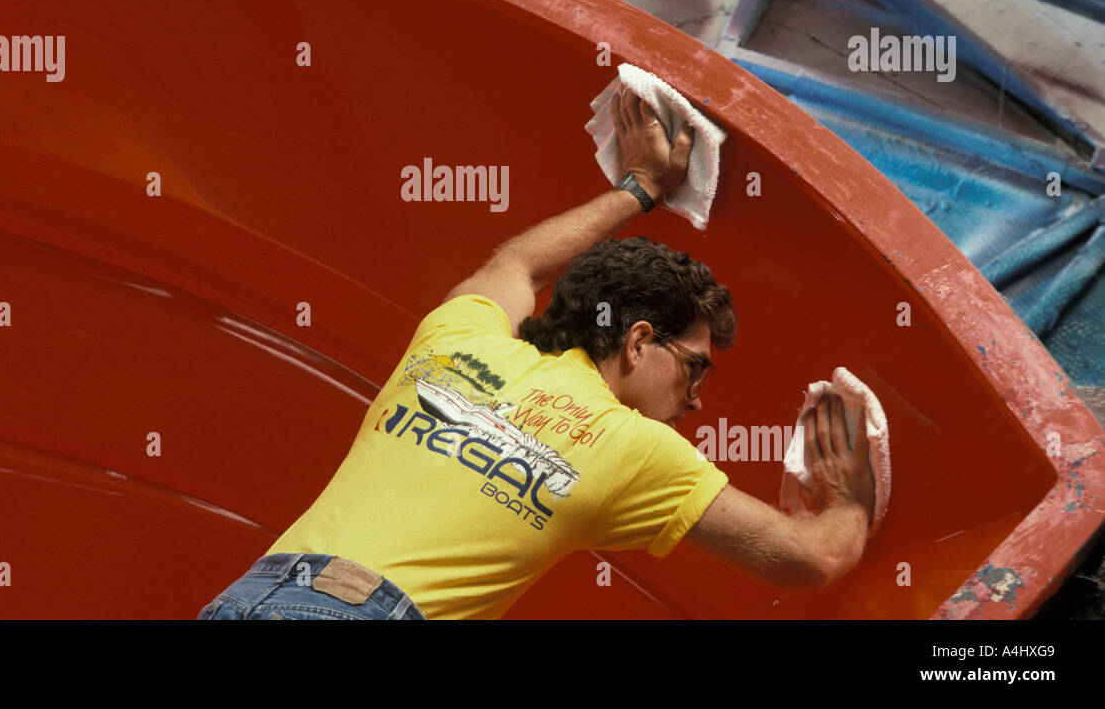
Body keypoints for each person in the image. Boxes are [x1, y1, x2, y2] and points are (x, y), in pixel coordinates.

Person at [197, 86, 876, 620]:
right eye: (695, 366)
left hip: (250, 594)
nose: (698, 400)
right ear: (638, 342)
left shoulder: (458, 336)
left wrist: (636, 187)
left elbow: (518, 263)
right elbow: (810, 559)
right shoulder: (629, 446)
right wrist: (849, 495)